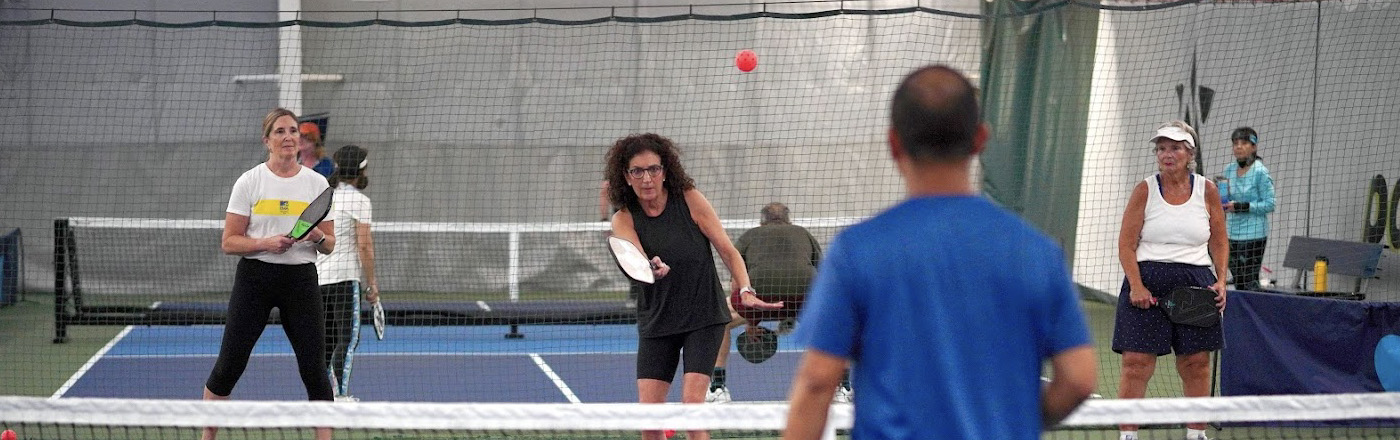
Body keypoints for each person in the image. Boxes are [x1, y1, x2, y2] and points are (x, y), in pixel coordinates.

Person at [782, 65, 1096, 440]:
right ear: (980, 139)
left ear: (893, 143)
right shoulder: (1037, 252)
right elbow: (1078, 379)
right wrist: (1016, 419)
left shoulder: (857, 250)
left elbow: (818, 381)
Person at [605, 133, 782, 440]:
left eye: (654, 169)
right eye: (638, 171)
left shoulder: (690, 199)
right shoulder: (623, 218)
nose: (647, 178)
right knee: (649, 420)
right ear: (626, 176)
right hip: (658, 320)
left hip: (703, 316)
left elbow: (728, 249)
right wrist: (652, 267)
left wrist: (746, 289)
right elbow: (635, 257)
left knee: (691, 410)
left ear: (665, 170)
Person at [204, 108, 335, 440]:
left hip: (301, 283)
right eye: (280, 132)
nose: (288, 137)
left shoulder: (317, 183)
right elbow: (229, 242)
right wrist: (265, 243)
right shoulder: (249, 182)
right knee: (229, 365)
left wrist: (316, 236)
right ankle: (207, 437)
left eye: (293, 131)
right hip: (254, 281)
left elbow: (330, 244)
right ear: (267, 140)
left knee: (315, 370)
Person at [1114, 121, 1229, 440]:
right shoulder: (1144, 190)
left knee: (1196, 364)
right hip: (1146, 281)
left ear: (1189, 153)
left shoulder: (1207, 190)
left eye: (1175, 147)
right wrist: (1136, 285)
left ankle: (1196, 434)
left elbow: (1219, 241)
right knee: (1136, 363)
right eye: (1162, 148)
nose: (1167, 154)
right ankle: (1127, 436)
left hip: (1196, 284)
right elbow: (1126, 244)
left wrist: (1221, 281)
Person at [707, 202, 828, 404]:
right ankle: (842, 387)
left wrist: (750, 320)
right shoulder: (803, 233)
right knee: (829, 323)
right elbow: (823, 274)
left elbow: (737, 280)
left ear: (762, 221)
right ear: (789, 219)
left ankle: (717, 387)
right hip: (803, 300)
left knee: (720, 320)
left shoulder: (749, 235)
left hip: (758, 300)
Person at [317, 145, 380, 402]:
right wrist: (372, 284)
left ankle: (322, 396)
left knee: (326, 342)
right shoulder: (360, 202)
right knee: (348, 339)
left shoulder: (324, 195)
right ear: (360, 170)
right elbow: (364, 246)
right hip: (344, 279)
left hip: (319, 278)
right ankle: (340, 397)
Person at [1221, 127, 1275, 291]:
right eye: (1235, 143)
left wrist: (1241, 206)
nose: (1238, 147)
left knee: (1249, 281)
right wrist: (1221, 200)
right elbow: (1225, 198)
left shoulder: (1260, 172)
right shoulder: (1229, 170)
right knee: (1238, 280)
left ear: (1254, 146)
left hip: (1254, 235)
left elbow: (1270, 203)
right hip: (1232, 233)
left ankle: (1253, 315)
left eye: (1244, 143)